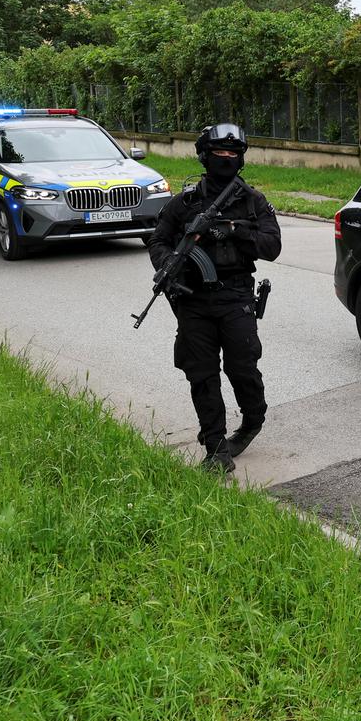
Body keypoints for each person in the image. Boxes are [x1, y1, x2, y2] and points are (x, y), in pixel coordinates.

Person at [148, 123, 283, 472]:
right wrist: (168, 267)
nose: (226, 158)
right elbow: (158, 240)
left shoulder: (253, 202)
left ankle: (253, 420)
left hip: (236, 296)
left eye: (232, 154)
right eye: (219, 153)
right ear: (205, 156)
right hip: (192, 300)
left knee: (242, 368)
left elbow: (272, 246)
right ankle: (216, 447)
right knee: (201, 374)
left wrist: (234, 231)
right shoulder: (186, 202)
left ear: (241, 159)